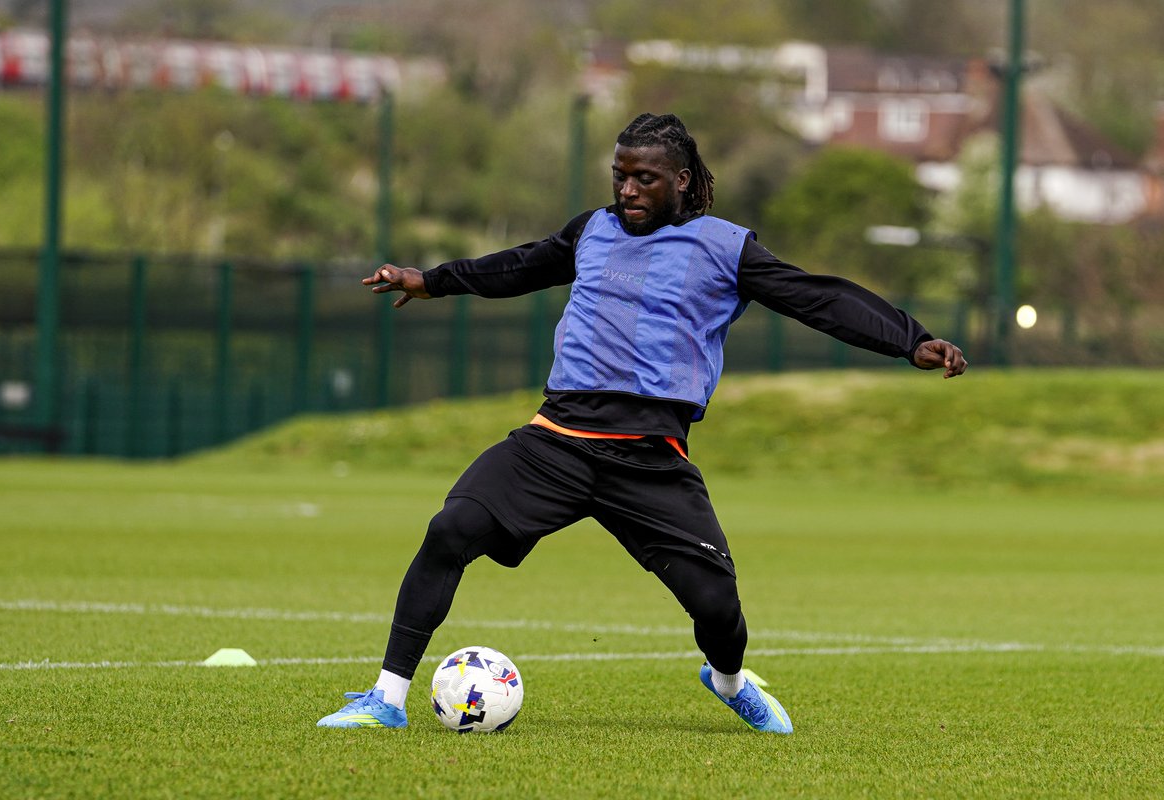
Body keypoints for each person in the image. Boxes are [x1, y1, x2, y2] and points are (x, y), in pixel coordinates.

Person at [317, 112, 967, 733]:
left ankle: (729, 683)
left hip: (651, 461)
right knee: (449, 530)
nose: (627, 189)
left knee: (718, 609)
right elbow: (518, 265)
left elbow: (818, 297)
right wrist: (431, 280)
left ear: (680, 179)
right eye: (620, 175)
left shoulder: (725, 247)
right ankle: (387, 698)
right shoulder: (591, 232)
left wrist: (909, 340)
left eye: (644, 178)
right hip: (557, 440)